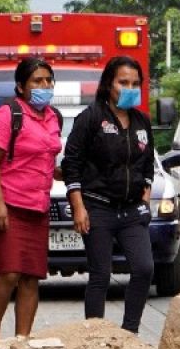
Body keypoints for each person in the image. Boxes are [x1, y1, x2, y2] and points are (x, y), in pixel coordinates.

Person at [62, 56, 156, 333]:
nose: (129, 88)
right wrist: (78, 207)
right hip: (97, 208)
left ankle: (130, 333)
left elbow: (148, 162)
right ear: (108, 84)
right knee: (100, 274)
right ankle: (95, 336)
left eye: (135, 83)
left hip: (131, 210)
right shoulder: (91, 118)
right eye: (123, 82)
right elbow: (72, 165)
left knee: (144, 268)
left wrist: (145, 195)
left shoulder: (141, 121)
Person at [0, 56, 64, 340]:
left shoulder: (54, 117)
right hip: (8, 204)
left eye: (48, 81)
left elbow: (45, 160)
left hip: (38, 207)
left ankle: (22, 341)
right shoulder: (8, 113)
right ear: (20, 86)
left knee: (31, 277)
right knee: (9, 273)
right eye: (37, 81)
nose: (44, 86)